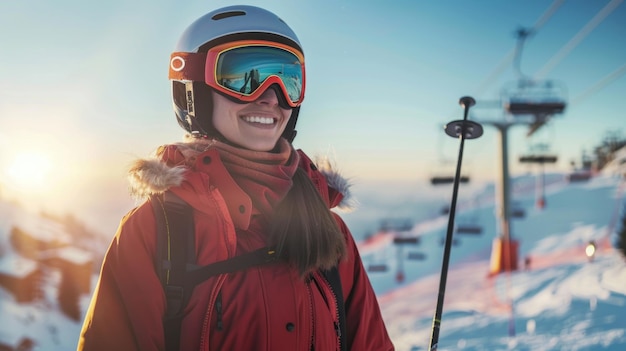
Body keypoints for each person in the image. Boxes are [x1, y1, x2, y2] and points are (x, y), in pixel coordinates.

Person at [77, 5, 394, 351]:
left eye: (287, 80)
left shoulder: (329, 232)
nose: (272, 97)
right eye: (244, 77)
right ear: (193, 91)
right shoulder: (156, 233)